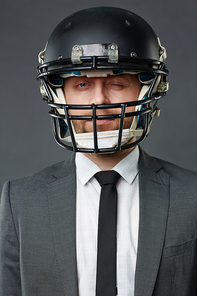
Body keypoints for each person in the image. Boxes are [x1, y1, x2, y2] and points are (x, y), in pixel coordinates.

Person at [0, 6, 196, 296]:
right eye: (81, 83)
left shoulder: (192, 196)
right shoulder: (21, 201)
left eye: (116, 83)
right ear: (57, 93)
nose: (98, 101)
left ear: (148, 91)